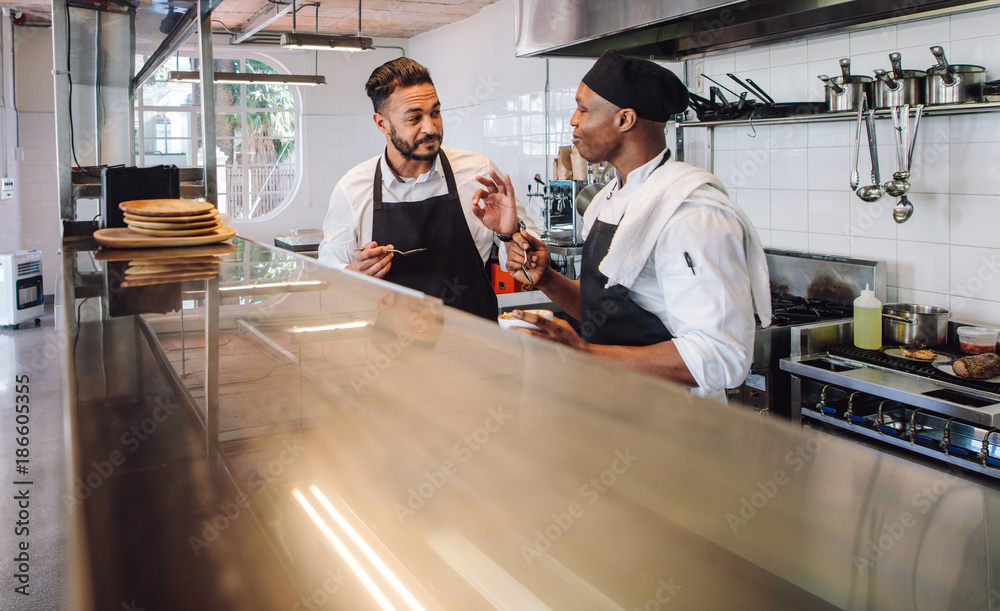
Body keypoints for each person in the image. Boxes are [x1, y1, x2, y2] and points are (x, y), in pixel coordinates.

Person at [474, 50, 772, 400]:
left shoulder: (691, 214)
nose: (573, 120)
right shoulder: (608, 198)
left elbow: (724, 358)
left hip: (679, 425)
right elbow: (602, 311)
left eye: (583, 109)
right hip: (620, 407)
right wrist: (547, 279)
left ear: (625, 119)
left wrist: (584, 354)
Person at [318, 57, 536, 320]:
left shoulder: (478, 173)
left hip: (475, 348)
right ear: (381, 123)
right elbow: (328, 281)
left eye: (435, 112)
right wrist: (355, 274)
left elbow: (527, 268)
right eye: (414, 118)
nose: (430, 128)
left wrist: (509, 234)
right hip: (394, 354)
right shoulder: (352, 190)